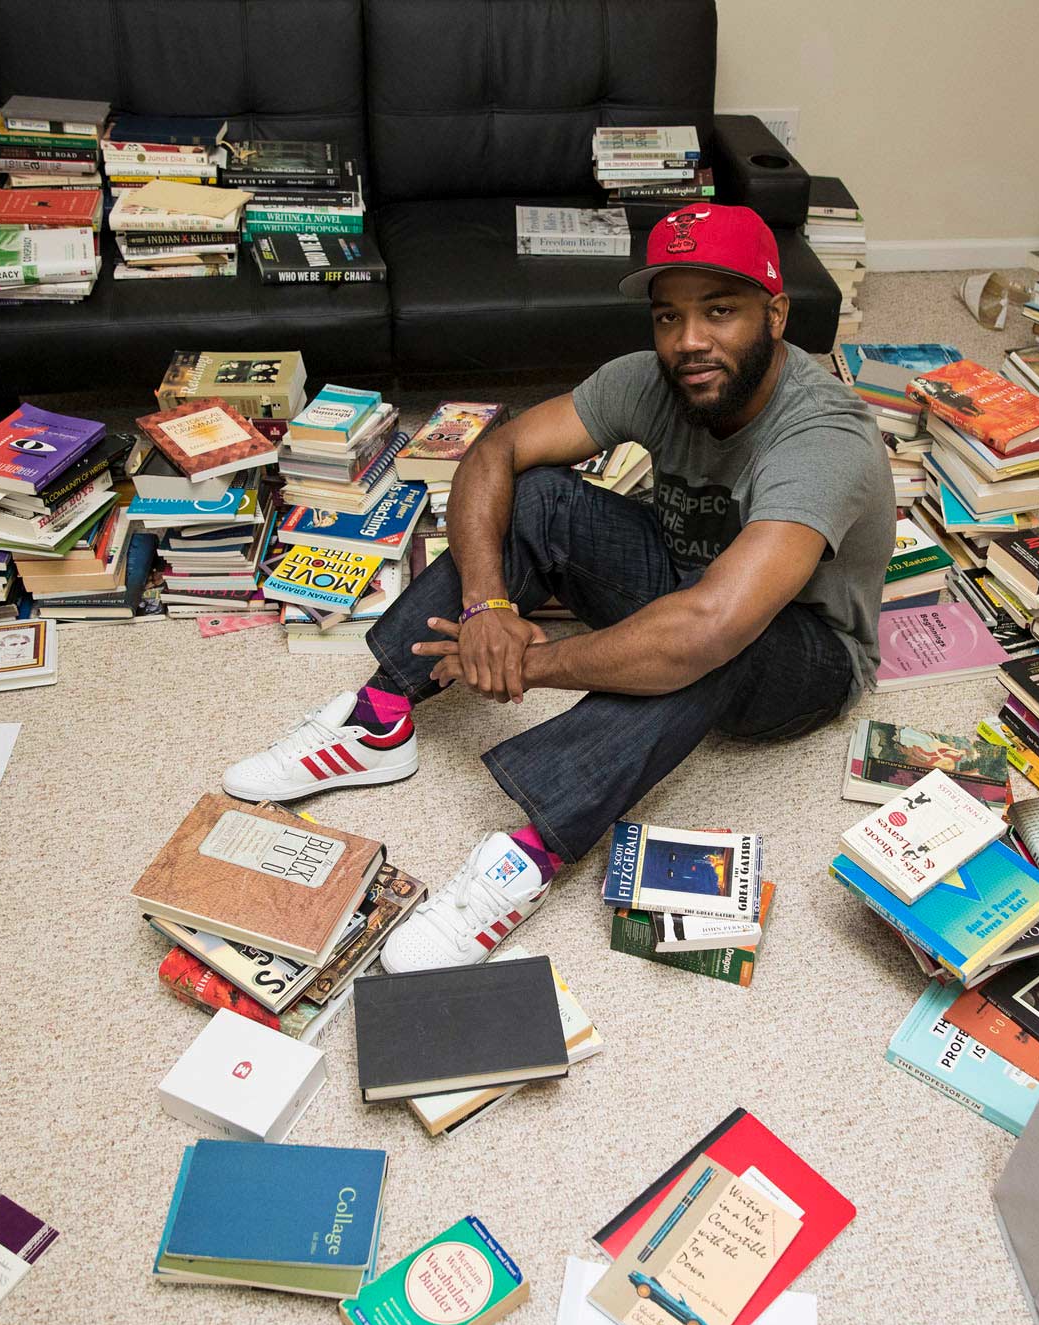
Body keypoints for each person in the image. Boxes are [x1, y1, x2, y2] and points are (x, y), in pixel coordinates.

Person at [223, 204, 893, 973]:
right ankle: (377, 722)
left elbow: (709, 624)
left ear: (775, 313)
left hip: (804, 654)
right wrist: (486, 609)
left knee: (705, 641)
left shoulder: (822, 437)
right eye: (668, 316)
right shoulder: (650, 380)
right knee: (537, 491)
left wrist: (527, 663)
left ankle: (524, 859)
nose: (689, 341)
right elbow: (496, 450)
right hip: (680, 579)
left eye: (720, 310)